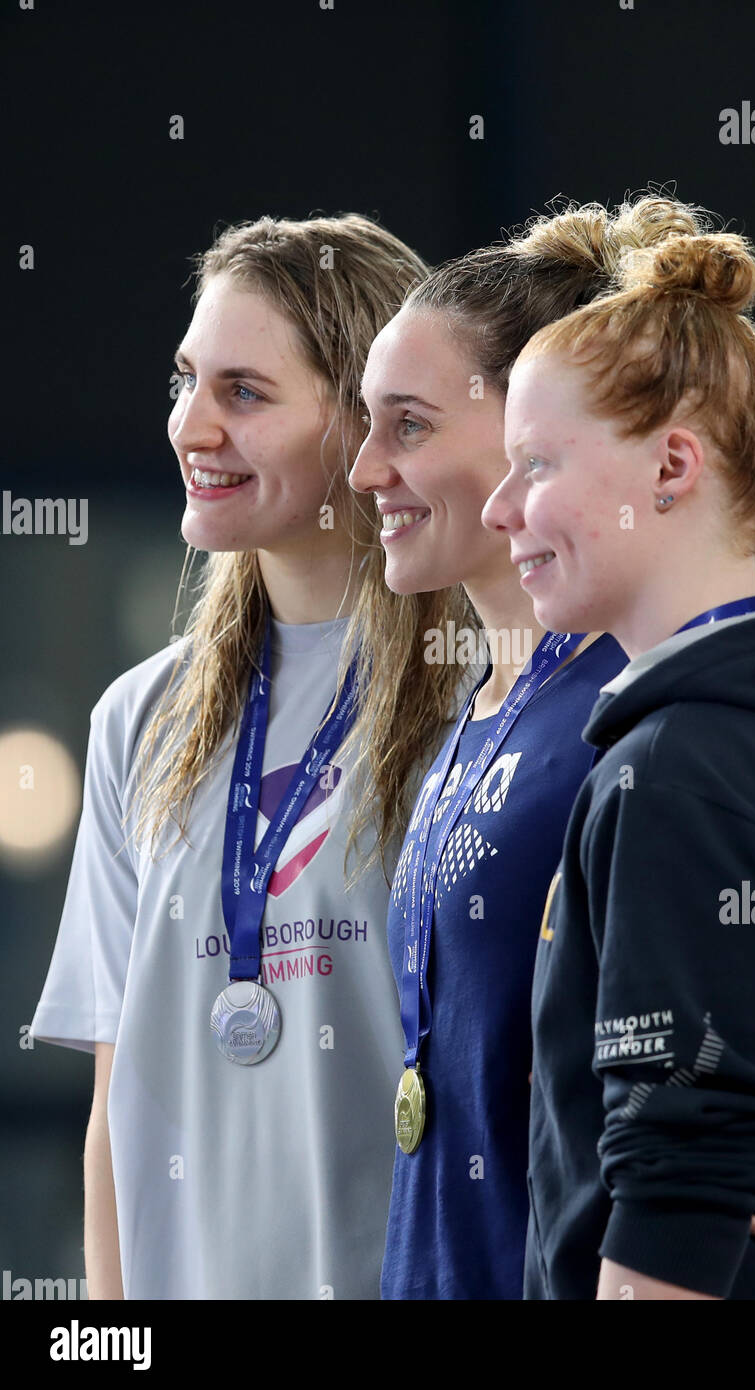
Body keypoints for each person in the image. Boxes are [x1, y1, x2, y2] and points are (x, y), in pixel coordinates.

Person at [349, 196, 755, 1300]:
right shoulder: (485, 711)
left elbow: (714, 1116)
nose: (365, 466)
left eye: (409, 424)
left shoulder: (663, 739)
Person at [29, 213, 471, 1299]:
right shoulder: (144, 717)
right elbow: (116, 1111)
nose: (191, 424)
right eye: (185, 381)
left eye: (243, 392)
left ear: (364, 428)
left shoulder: (481, 690)